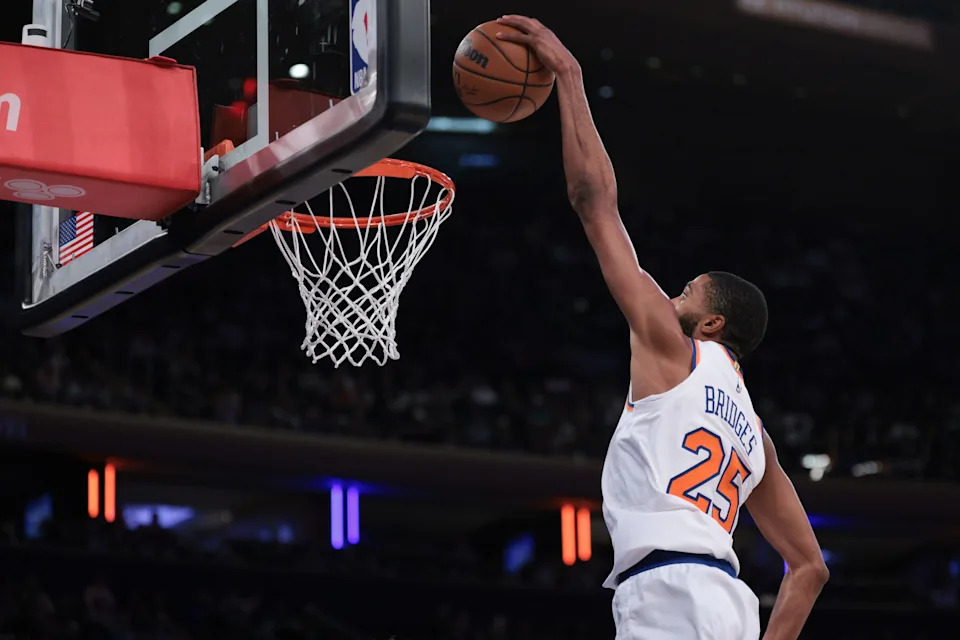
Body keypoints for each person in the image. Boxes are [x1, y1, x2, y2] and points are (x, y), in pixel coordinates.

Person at [496, 15, 829, 640]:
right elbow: (809, 568)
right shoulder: (755, 437)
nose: (671, 295)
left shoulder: (675, 352)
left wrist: (569, 74)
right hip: (729, 608)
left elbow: (595, 203)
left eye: (685, 292)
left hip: (667, 594)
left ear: (711, 322)